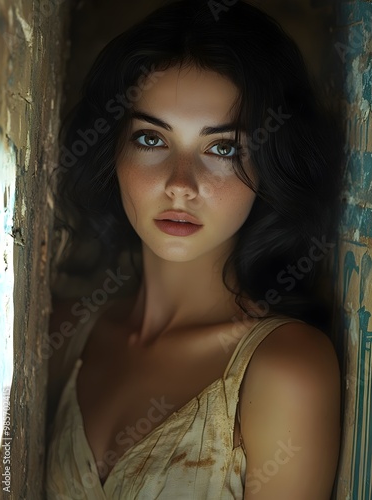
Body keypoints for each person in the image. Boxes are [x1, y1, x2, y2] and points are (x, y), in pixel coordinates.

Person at [46, 0, 343, 498]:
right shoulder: (62, 336)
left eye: (222, 148)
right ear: (112, 151)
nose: (181, 184)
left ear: (269, 166)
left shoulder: (286, 369)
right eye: (150, 138)